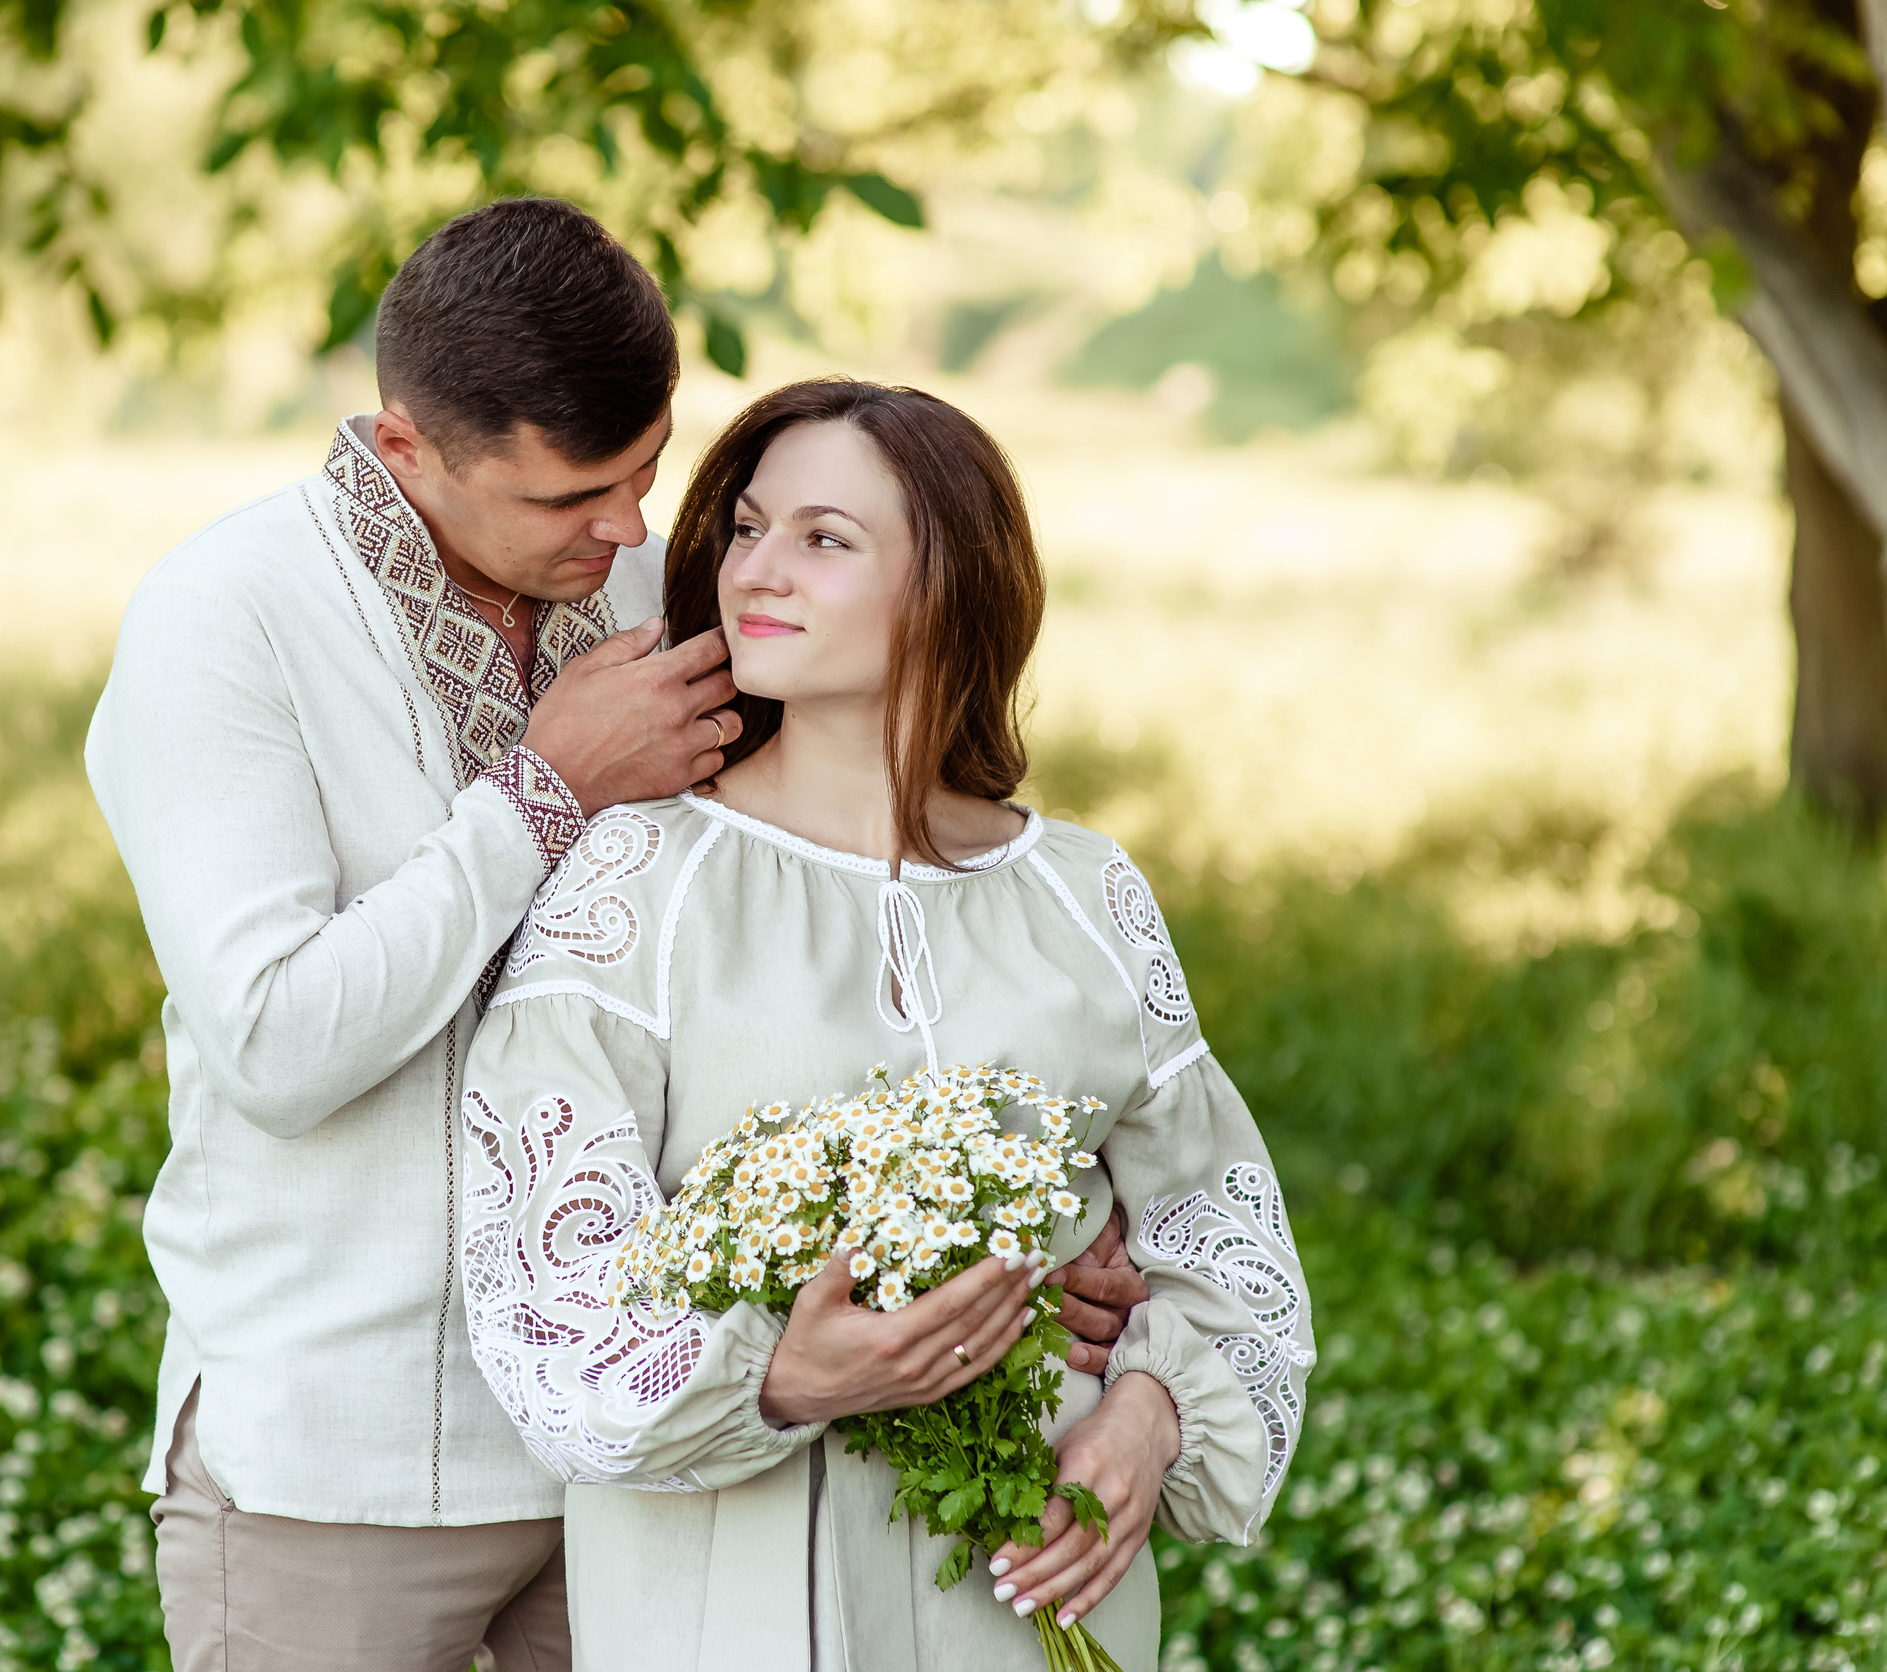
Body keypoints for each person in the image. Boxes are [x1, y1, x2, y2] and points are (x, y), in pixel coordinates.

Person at [86, 200, 1149, 1672]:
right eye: (571, 495)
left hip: (675, 1451)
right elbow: (274, 1039)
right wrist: (547, 791)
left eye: (647, 470)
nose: (634, 528)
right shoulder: (225, 622)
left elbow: (834, 919)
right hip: (348, 1460)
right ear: (407, 451)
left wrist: (1034, 1215)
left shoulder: (650, 594)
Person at [457, 378, 1316, 1671]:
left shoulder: (1084, 893)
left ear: (948, 585)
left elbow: (1225, 1238)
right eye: (746, 527)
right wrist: (788, 1371)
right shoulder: (638, 877)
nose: (760, 568)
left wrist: (1148, 1411)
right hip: (728, 1603)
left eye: (825, 537)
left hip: (1038, 1587)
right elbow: (540, 1288)